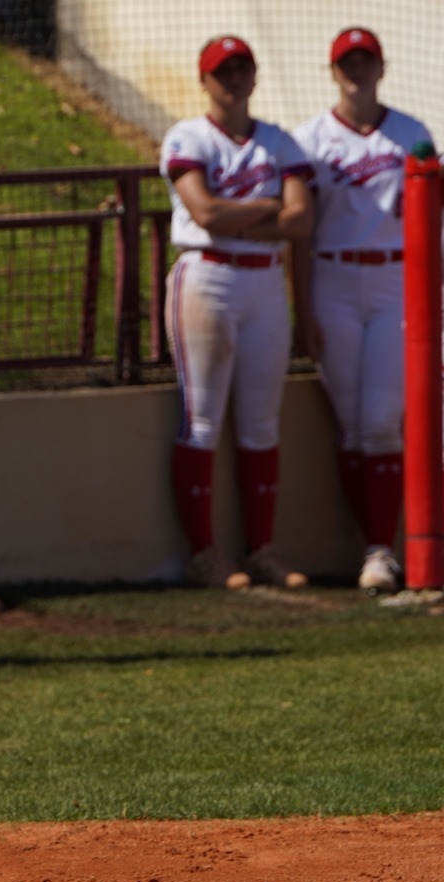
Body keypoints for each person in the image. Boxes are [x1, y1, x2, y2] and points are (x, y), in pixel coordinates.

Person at [160, 35, 316, 589]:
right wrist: (269, 206)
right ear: (203, 79)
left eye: (241, 69)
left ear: (254, 76)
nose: (232, 79)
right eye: (221, 71)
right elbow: (204, 213)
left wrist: (241, 216)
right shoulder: (188, 135)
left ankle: (262, 549)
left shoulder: (278, 140)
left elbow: (302, 222)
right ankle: (204, 553)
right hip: (206, 275)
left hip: (264, 282)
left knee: (259, 421)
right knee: (201, 419)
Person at [291, 28, 433, 594]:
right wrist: (302, 307)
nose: (357, 70)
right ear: (332, 70)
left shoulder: (412, 134)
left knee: (379, 421)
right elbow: (298, 233)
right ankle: (374, 548)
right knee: (352, 423)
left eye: (365, 60)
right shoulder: (310, 140)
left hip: (396, 279)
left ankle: (381, 552)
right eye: (347, 62)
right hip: (334, 277)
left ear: (382, 66)